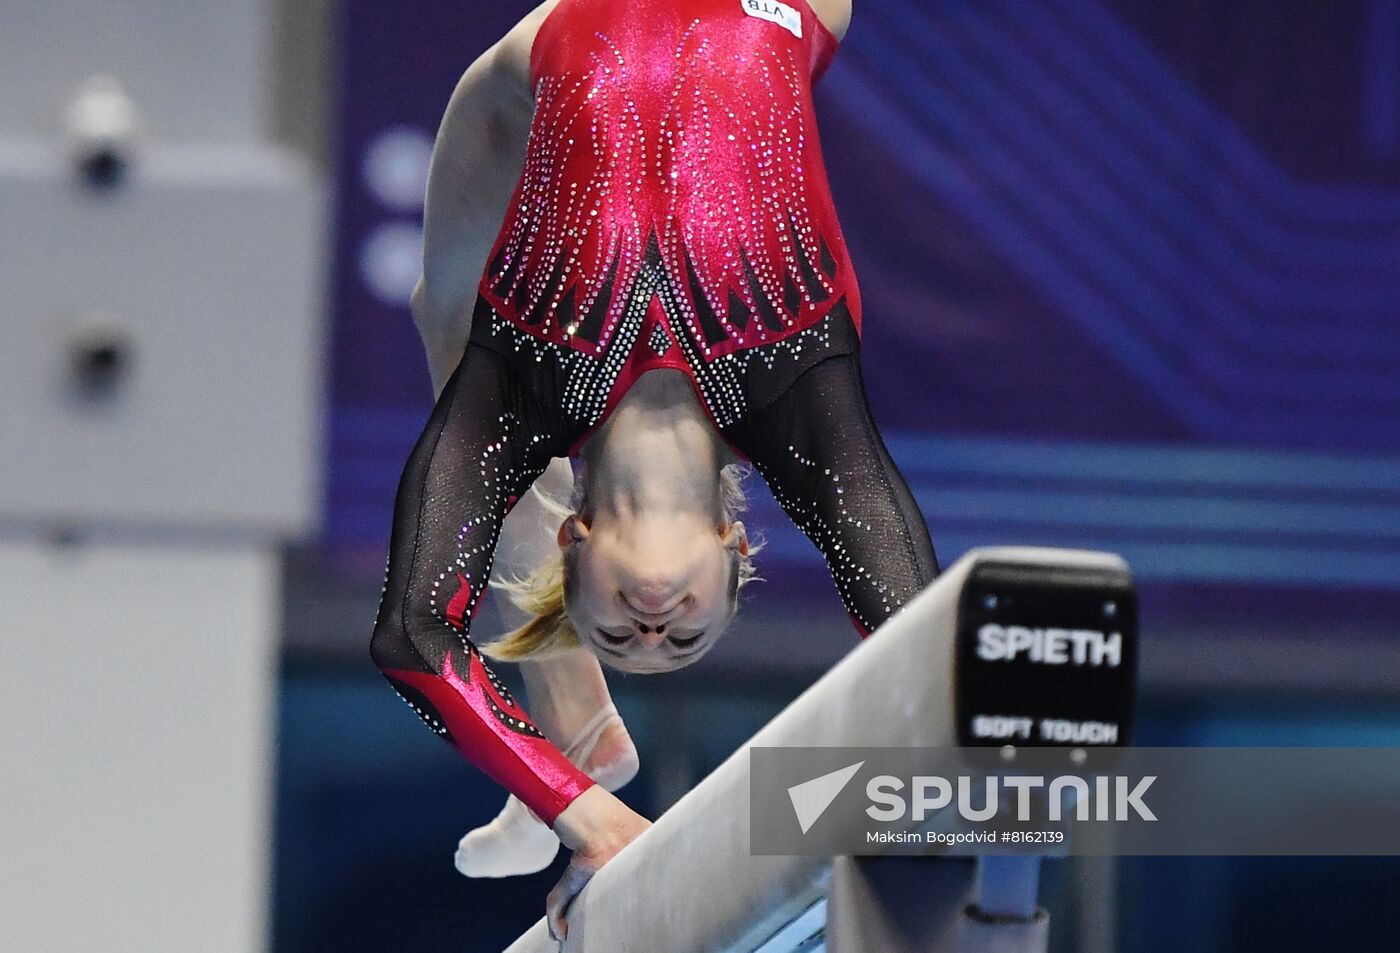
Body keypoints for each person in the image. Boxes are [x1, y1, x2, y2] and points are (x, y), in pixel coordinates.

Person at [367, 0, 939, 939]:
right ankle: (577, 726)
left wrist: (577, 813)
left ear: (574, 546)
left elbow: (412, 637)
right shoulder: (801, 402)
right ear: (732, 542)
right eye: (685, 641)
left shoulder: (522, 385)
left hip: (541, 56)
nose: (650, 634)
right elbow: (918, 640)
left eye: (616, 636)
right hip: (783, 14)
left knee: (446, 318)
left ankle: (571, 725)